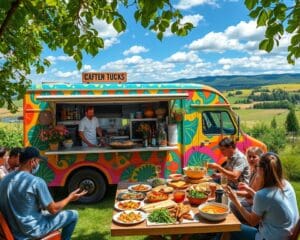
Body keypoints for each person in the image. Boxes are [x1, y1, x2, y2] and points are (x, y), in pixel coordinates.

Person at [0, 146, 87, 240]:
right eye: (38, 161)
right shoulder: (35, 182)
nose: (38, 164)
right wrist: (70, 197)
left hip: (14, 230)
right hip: (31, 232)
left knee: (45, 213)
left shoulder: (4, 180)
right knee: (73, 215)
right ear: (32, 161)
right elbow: (53, 209)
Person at [225, 152, 299, 240]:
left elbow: (252, 221)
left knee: (228, 227)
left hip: (268, 237)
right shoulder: (287, 184)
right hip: (285, 234)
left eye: (257, 167)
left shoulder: (263, 194)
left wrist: (235, 200)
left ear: (261, 170)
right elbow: (269, 201)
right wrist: (250, 191)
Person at [230, 146, 264, 223]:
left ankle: (238, 225)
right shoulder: (253, 169)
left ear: (260, 158)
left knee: (232, 204)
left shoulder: (259, 173)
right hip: (254, 201)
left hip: (256, 205)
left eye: (254, 157)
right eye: (249, 156)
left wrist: (233, 192)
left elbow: (249, 195)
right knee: (232, 201)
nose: (251, 159)